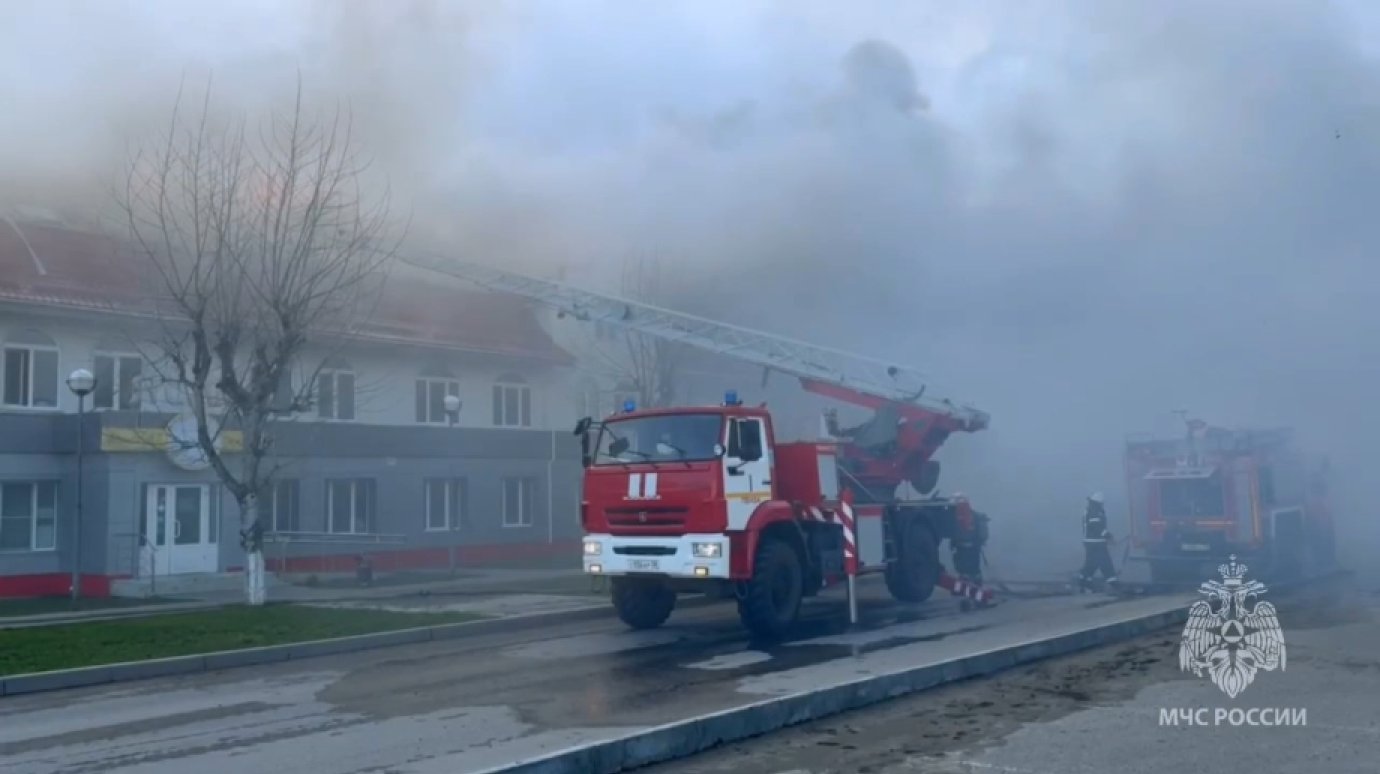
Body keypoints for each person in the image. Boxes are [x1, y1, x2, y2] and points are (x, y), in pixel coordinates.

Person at [1079, 492, 1118, 591]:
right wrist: (1108, 536)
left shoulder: (1092, 510)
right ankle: (1113, 583)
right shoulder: (1094, 511)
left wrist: (1107, 537)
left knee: (1092, 563)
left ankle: (1084, 581)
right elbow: (1097, 527)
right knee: (1105, 562)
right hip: (1095, 543)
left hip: (1093, 542)